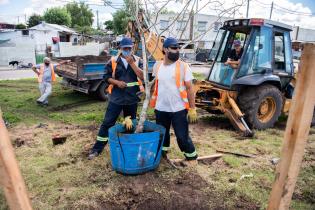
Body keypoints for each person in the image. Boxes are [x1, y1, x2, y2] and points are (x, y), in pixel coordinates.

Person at [88, 37, 144, 160]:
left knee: (130, 123)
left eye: (129, 48)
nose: (127, 50)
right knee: (107, 123)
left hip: (132, 99)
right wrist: (117, 83)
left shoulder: (138, 60)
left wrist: (131, 63)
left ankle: (128, 148)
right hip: (116, 98)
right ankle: (96, 149)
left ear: (132, 48)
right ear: (120, 48)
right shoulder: (113, 61)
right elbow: (106, 77)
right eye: (125, 48)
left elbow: (143, 76)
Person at [150, 37, 198, 165]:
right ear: (165, 49)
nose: (177, 51)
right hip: (161, 109)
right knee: (162, 135)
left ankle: (192, 158)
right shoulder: (157, 66)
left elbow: (189, 88)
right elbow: (154, 85)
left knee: (182, 137)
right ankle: (163, 156)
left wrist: (192, 108)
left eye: (178, 48)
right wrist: (147, 96)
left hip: (179, 109)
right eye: (173, 48)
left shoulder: (183, 66)